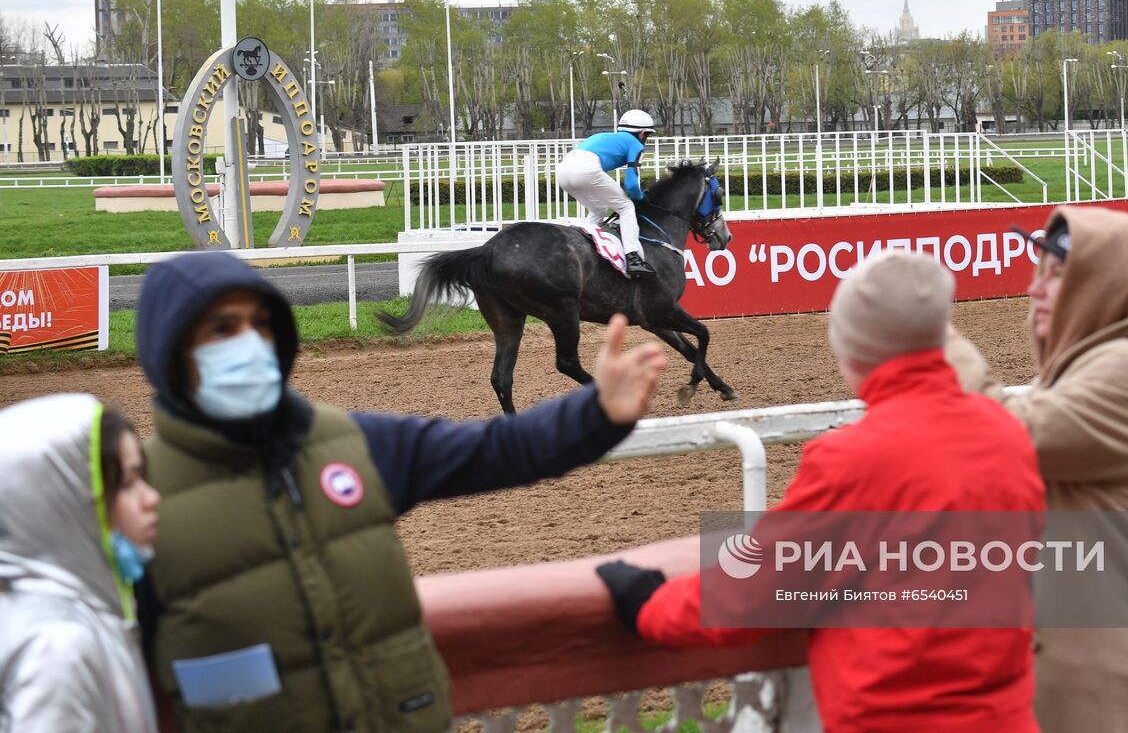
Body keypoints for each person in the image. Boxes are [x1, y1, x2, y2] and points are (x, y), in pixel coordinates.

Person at [132, 251, 666, 731]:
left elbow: (498, 449)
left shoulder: (353, 442)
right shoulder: (132, 499)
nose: (250, 344)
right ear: (172, 353)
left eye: (261, 325)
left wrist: (594, 413)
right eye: (223, 330)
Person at [595, 250, 1045, 732]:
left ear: (852, 349)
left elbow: (756, 593)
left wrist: (650, 605)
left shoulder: (853, 457)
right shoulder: (1006, 432)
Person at [946, 206, 1128, 733]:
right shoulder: (1087, 367)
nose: (1035, 289)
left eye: (1058, 276)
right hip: (1071, 673)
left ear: (1101, 289)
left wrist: (932, 335)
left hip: (1100, 685)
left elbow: (998, 433)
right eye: (1040, 272)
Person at [0, 394, 162, 732]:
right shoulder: (59, 650)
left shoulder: (77, 608)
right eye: (128, 484)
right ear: (66, 506)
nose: (152, 498)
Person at [557, 108, 657, 278]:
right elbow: (632, 185)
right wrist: (641, 198)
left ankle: (583, 244)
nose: (645, 139)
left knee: (599, 209)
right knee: (626, 207)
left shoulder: (605, 136)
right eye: (647, 135)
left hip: (562, 171)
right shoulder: (636, 144)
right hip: (585, 169)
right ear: (641, 134)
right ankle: (633, 258)